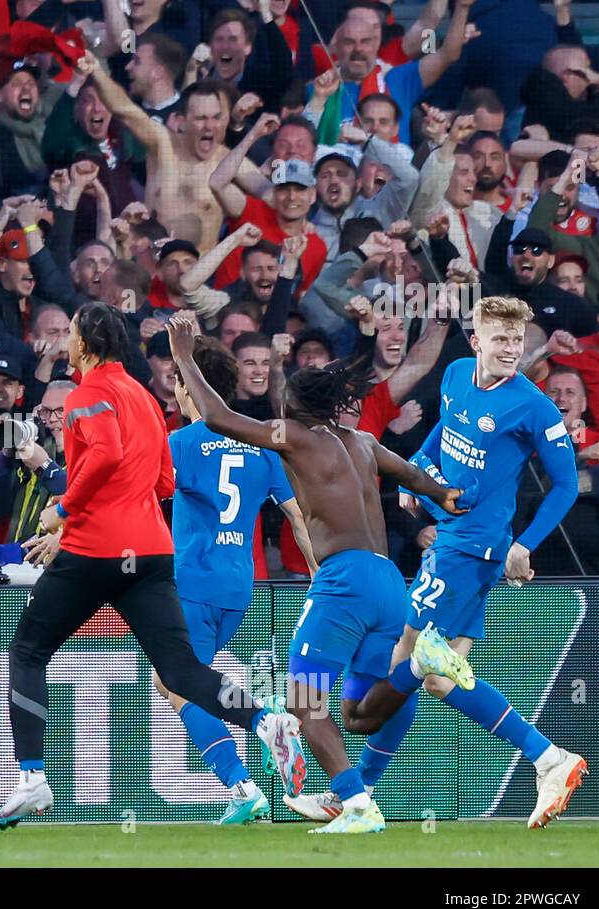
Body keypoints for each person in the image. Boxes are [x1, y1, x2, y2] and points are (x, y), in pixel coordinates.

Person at [0, 303, 306, 831]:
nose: (66, 342)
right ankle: (265, 722)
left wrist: (64, 511)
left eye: (69, 333)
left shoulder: (88, 394)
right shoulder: (144, 397)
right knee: (179, 672)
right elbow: (161, 485)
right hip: (154, 554)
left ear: (86, 343)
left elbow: (107, 456)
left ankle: (32, 779)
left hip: (100, 549)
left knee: (28, 651)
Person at [165, 310, 467, 834]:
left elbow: (215, 417)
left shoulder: (296, 437)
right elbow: (414, 474)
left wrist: (186, 357)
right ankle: (417, 670)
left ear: (299, 405)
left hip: (343, 579)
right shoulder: (365, 443)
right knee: (359, 713)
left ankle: (355, 803)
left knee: (304, 701)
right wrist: (441, 493)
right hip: (388, 580)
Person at [291, 297, 587, 831]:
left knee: (409, 661)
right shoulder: (454, 374)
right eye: (500, 339)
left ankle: (357, 795)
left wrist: (526, 543)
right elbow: (440, 434)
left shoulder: (534, 406)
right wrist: (418, 475)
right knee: (434, 675)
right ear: (476, 342)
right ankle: (546, 760)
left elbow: (566, 484)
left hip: (469, 547)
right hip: (458, 537)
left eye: (516, 341)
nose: (510, 350)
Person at [157, 334, 316, 825]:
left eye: (179, 384)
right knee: (189, 681)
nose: (176, 395)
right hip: (238, 587)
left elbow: (137, 498)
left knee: (179, 684)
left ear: (193, 387)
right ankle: (256, 744)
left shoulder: (178, 445)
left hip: (191, 582)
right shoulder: (261, 445)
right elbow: (297, 516)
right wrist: (318, 572)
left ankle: (245, 774)